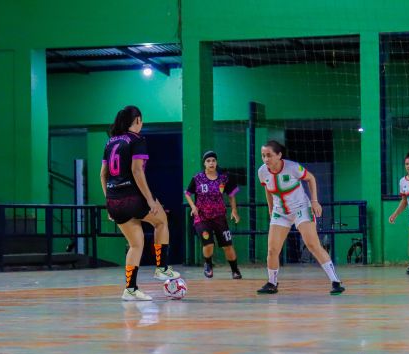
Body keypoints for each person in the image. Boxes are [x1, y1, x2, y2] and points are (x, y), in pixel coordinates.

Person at [100, 106, 180, 301]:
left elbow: (102, 175)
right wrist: (150, 200)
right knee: (161, 220)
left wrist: (109, 202)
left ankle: (130, 289)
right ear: (136, 120)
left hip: (114, 200)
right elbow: (137, 171)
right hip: (131, 197)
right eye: (141, 120)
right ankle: (161, 268)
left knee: (136, 244)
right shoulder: (137, 140)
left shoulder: (110, 142)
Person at [256, 140, 345, 295]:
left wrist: (315, 201)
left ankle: (335, 281)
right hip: (280, 212)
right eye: (263, 155)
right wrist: (270, 207)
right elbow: (267, 189)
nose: (266, 159)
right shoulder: (262, 171)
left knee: (312, 244)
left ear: (279, 155)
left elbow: (311, 178)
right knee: (272, 250)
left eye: (269, 155)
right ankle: (272, 283)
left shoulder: (292, 167)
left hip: (301, 208)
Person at [185, 150, 242, 279]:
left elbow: (232, 195)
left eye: (213, 160)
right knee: (208, 244)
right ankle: (208, 265)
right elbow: (188, 193)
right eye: (208, 161)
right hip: (202, 217)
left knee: (227, 245)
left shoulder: (224, 178)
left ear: (216, 162)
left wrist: (234, 210)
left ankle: (235, 270)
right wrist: (193, 206)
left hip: (220, 217)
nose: (211, 163)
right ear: (204, 163)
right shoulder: (197, 178)